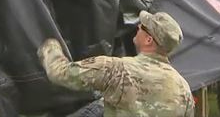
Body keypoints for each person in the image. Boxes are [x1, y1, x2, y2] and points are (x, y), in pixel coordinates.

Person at [37, 11, 194, 116]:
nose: (138, 27)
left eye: (142, 27)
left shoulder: (115, 69)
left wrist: (50, 47)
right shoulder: (184, 89)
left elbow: (60, 73)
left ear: (148, 40)